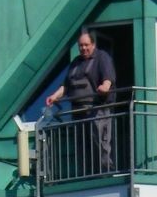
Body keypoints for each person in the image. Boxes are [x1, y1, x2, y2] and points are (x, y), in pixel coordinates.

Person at [45, 27, 116, 174]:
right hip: (78, 113)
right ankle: (87, 175)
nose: (83, 48)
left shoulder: (102, 57)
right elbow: (66, 85)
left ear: (93, 44)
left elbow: (108, 78)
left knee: (100, 145)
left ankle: (106, 174)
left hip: (98, 110)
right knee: (82, 147)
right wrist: (54, 96)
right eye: (81, 46)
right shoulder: (75, 63)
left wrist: (105, 86)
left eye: (86, 45)